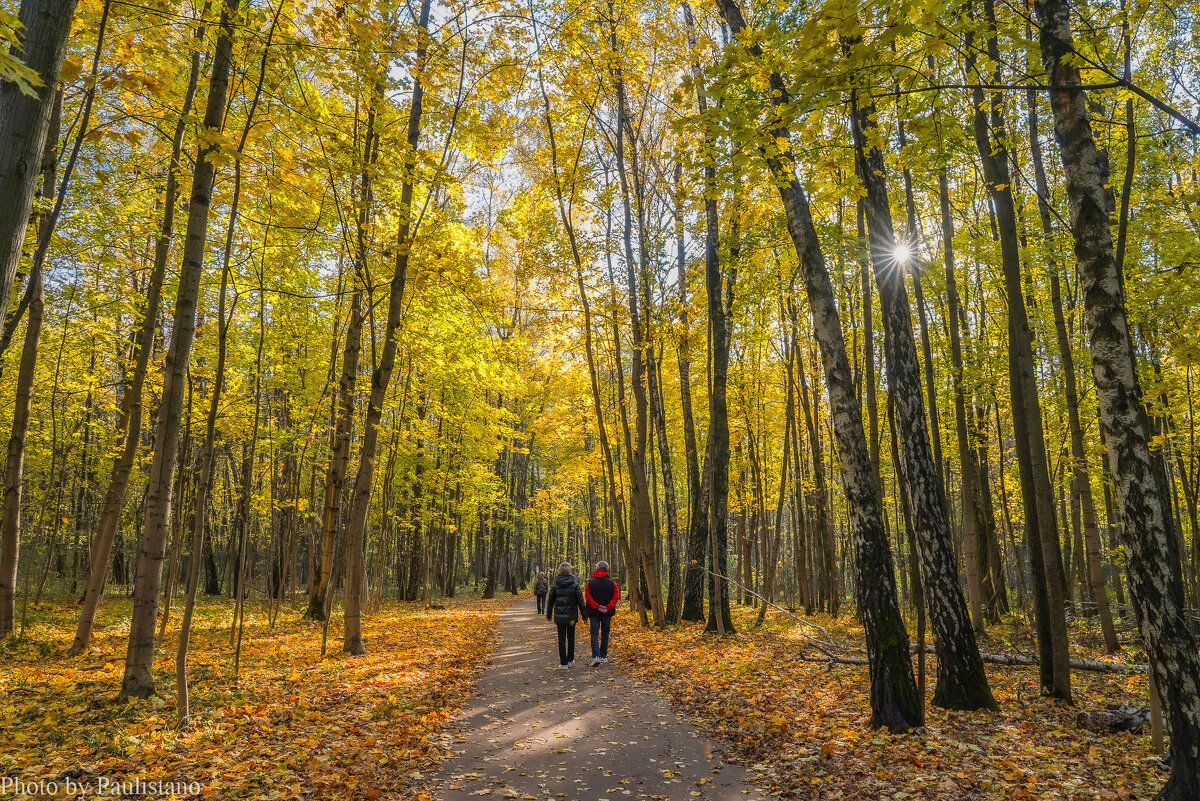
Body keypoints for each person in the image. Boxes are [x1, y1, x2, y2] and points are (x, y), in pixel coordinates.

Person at [545, 562, 586, 669]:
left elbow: (550, 602)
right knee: (571, 637)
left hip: (559, 617)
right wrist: (584, 615)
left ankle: (563, 663)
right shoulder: (575, 585)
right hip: (572, 616)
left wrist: (549, 615)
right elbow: (580, 601)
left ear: (559, 570)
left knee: (561, 638)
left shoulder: (554, 585)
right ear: (569, 571)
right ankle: (570, 660)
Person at [584, 560, 620, 666]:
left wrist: (597, 606)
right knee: (605, 633)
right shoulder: (612, 583)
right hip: (607, 612)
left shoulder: (590, 582)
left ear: (597, 569)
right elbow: (616, 596)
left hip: (594, 612)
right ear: (607, 569)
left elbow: (587, 596)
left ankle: (596, 656)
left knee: (594, 633)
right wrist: (607, 607)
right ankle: (603, 656)